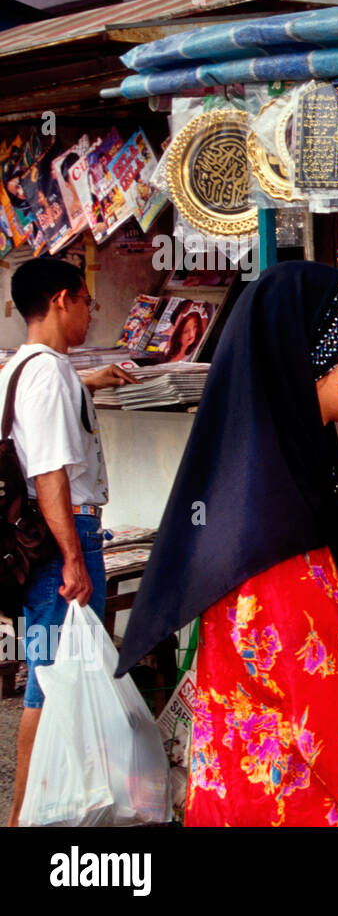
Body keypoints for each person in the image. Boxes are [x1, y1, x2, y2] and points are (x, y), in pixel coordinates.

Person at [116, 262, 338, 827]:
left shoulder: (264, 494)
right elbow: (331, 722)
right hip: (297, 807)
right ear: (309, 360)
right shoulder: (282, 540)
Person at [1, 257, 138, 826]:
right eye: (86, 299)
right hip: (64, 534)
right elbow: (51, 474)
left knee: (50, 679)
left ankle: (40, 811)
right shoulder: (49, 374)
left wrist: (91, 380)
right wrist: (75, 560)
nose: (92, 310)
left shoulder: (21, 368)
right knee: (50, 685)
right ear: (62, 300)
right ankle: (26, 816)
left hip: (41, 537)